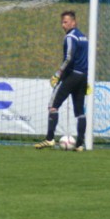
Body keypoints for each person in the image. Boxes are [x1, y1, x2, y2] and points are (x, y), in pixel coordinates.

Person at [34, 10, 89, 152]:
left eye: (65, 22)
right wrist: (86, 78)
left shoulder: (70, 37)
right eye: (62, 22)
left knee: (53, 105)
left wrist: (58, 74)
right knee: (80, 111)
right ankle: (79, 145)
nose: (63, 25)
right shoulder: (83, 37)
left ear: (73, 22)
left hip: (71, 75)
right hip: (83, 76)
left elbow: (69, 57)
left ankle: (49, 139)